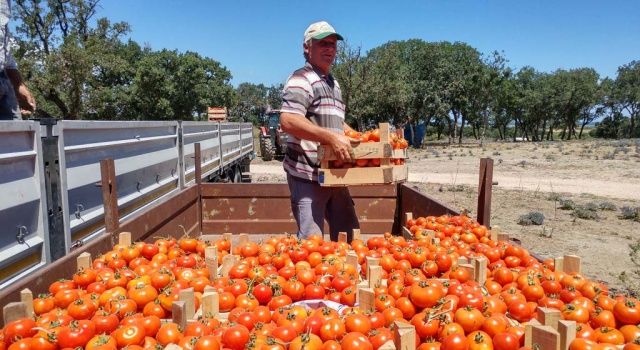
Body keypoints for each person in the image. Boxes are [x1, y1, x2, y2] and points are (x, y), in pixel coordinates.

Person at [280, 21, 360, 242]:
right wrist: (330, 137)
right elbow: (288, 120)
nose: (330, 49)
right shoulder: (301, 79)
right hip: (307, 174)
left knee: (350, 235)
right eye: (323, 43)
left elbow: (336, 123)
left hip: (333, 173)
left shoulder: (333, 84)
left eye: (333, 45)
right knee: (312, 244)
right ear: (307, 47)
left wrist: (358, 137)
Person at [0, 0, 36, 120]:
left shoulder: (4, 15)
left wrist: (19, 86)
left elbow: (6, 55)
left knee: (15, 131)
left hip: (4, 79)